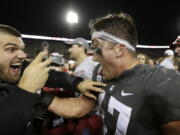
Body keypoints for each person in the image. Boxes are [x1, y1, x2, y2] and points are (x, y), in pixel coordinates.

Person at [75, 12, 180, 135]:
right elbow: (78, 107)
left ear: (119, 50)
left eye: (96, 45)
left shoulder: (162, 80)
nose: (93, 56)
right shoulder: (102, 72)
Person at [0, 24, 105, 135]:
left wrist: (78, 83)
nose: (23, 55)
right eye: (11, 49)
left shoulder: (92, 63)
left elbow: (53, 76)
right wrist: (26, 90)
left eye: (22, 49)